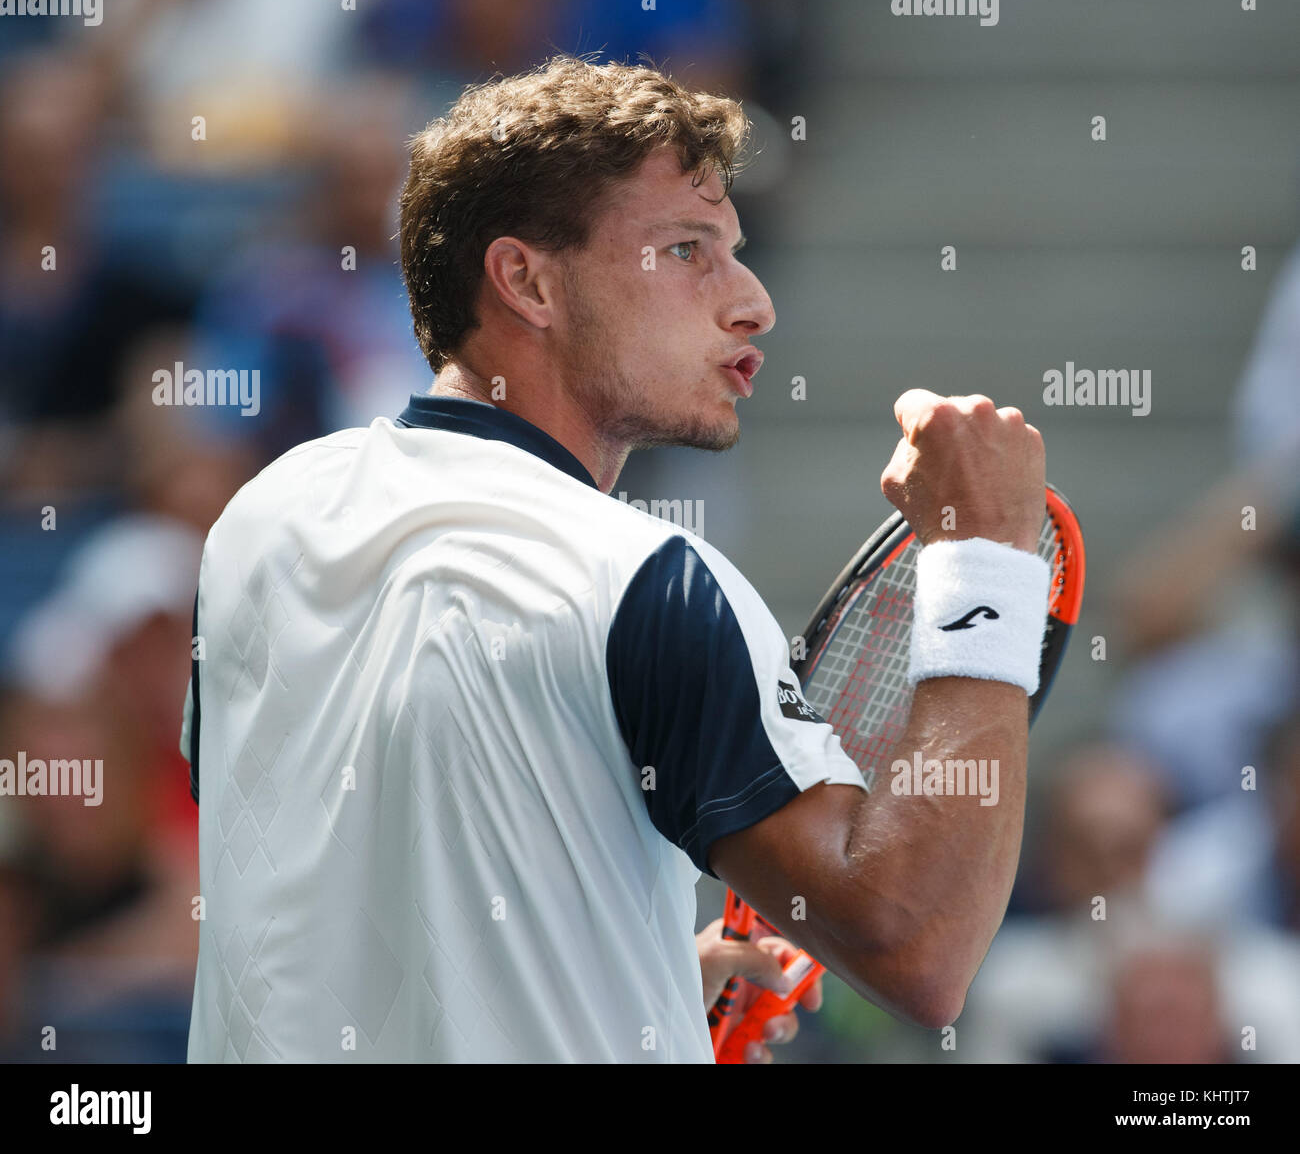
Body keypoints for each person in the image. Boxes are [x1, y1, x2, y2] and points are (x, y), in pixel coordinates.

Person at [181, 56, 1049, 1063]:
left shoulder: (258, 522)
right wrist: (982, 554)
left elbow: (335, 888)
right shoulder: (643, 579)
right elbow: (915, 945)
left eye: (735, 250)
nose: (753, 303)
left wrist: (632, 992)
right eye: (687, 250)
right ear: (527, 280)